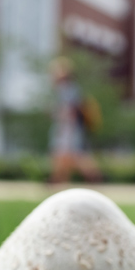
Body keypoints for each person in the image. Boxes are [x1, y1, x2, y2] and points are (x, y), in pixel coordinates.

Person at [48, 56, 101, 184]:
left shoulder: (67, 89)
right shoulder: (69, 89)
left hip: (69, 128)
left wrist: (56, 114)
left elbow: (70, 110)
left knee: (72, 155)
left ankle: (58, 181)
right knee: (66, 156)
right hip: (70, 128)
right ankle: (57, 180)